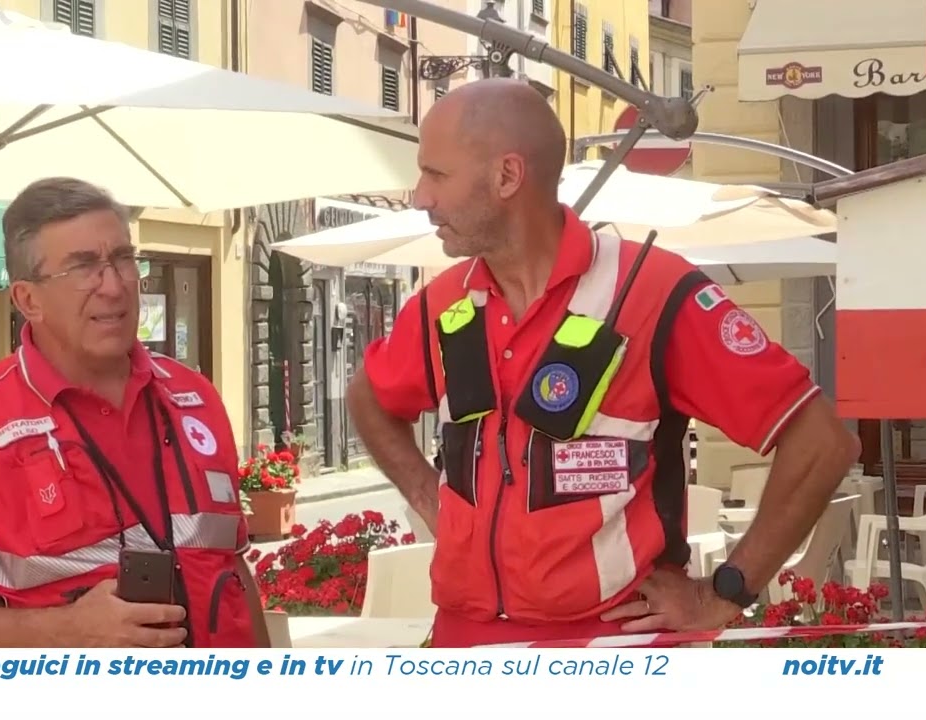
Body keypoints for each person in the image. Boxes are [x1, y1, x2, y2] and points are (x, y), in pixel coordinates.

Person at [346, 79, 860, 648]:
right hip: (465, 647)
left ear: (508, 176)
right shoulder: (442, 303)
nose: (420, 197)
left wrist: (725, 591)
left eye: (436, 175)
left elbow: (821, 443)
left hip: (614, 649)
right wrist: (426, 496)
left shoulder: (656, 293)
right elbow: (369, 396)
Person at [0, 177, 269, 648]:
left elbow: (233, 570)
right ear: (28, 300)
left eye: (123, 258)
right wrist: (66, 629)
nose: (115, 285)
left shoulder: (195, 397)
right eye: (83, 267)